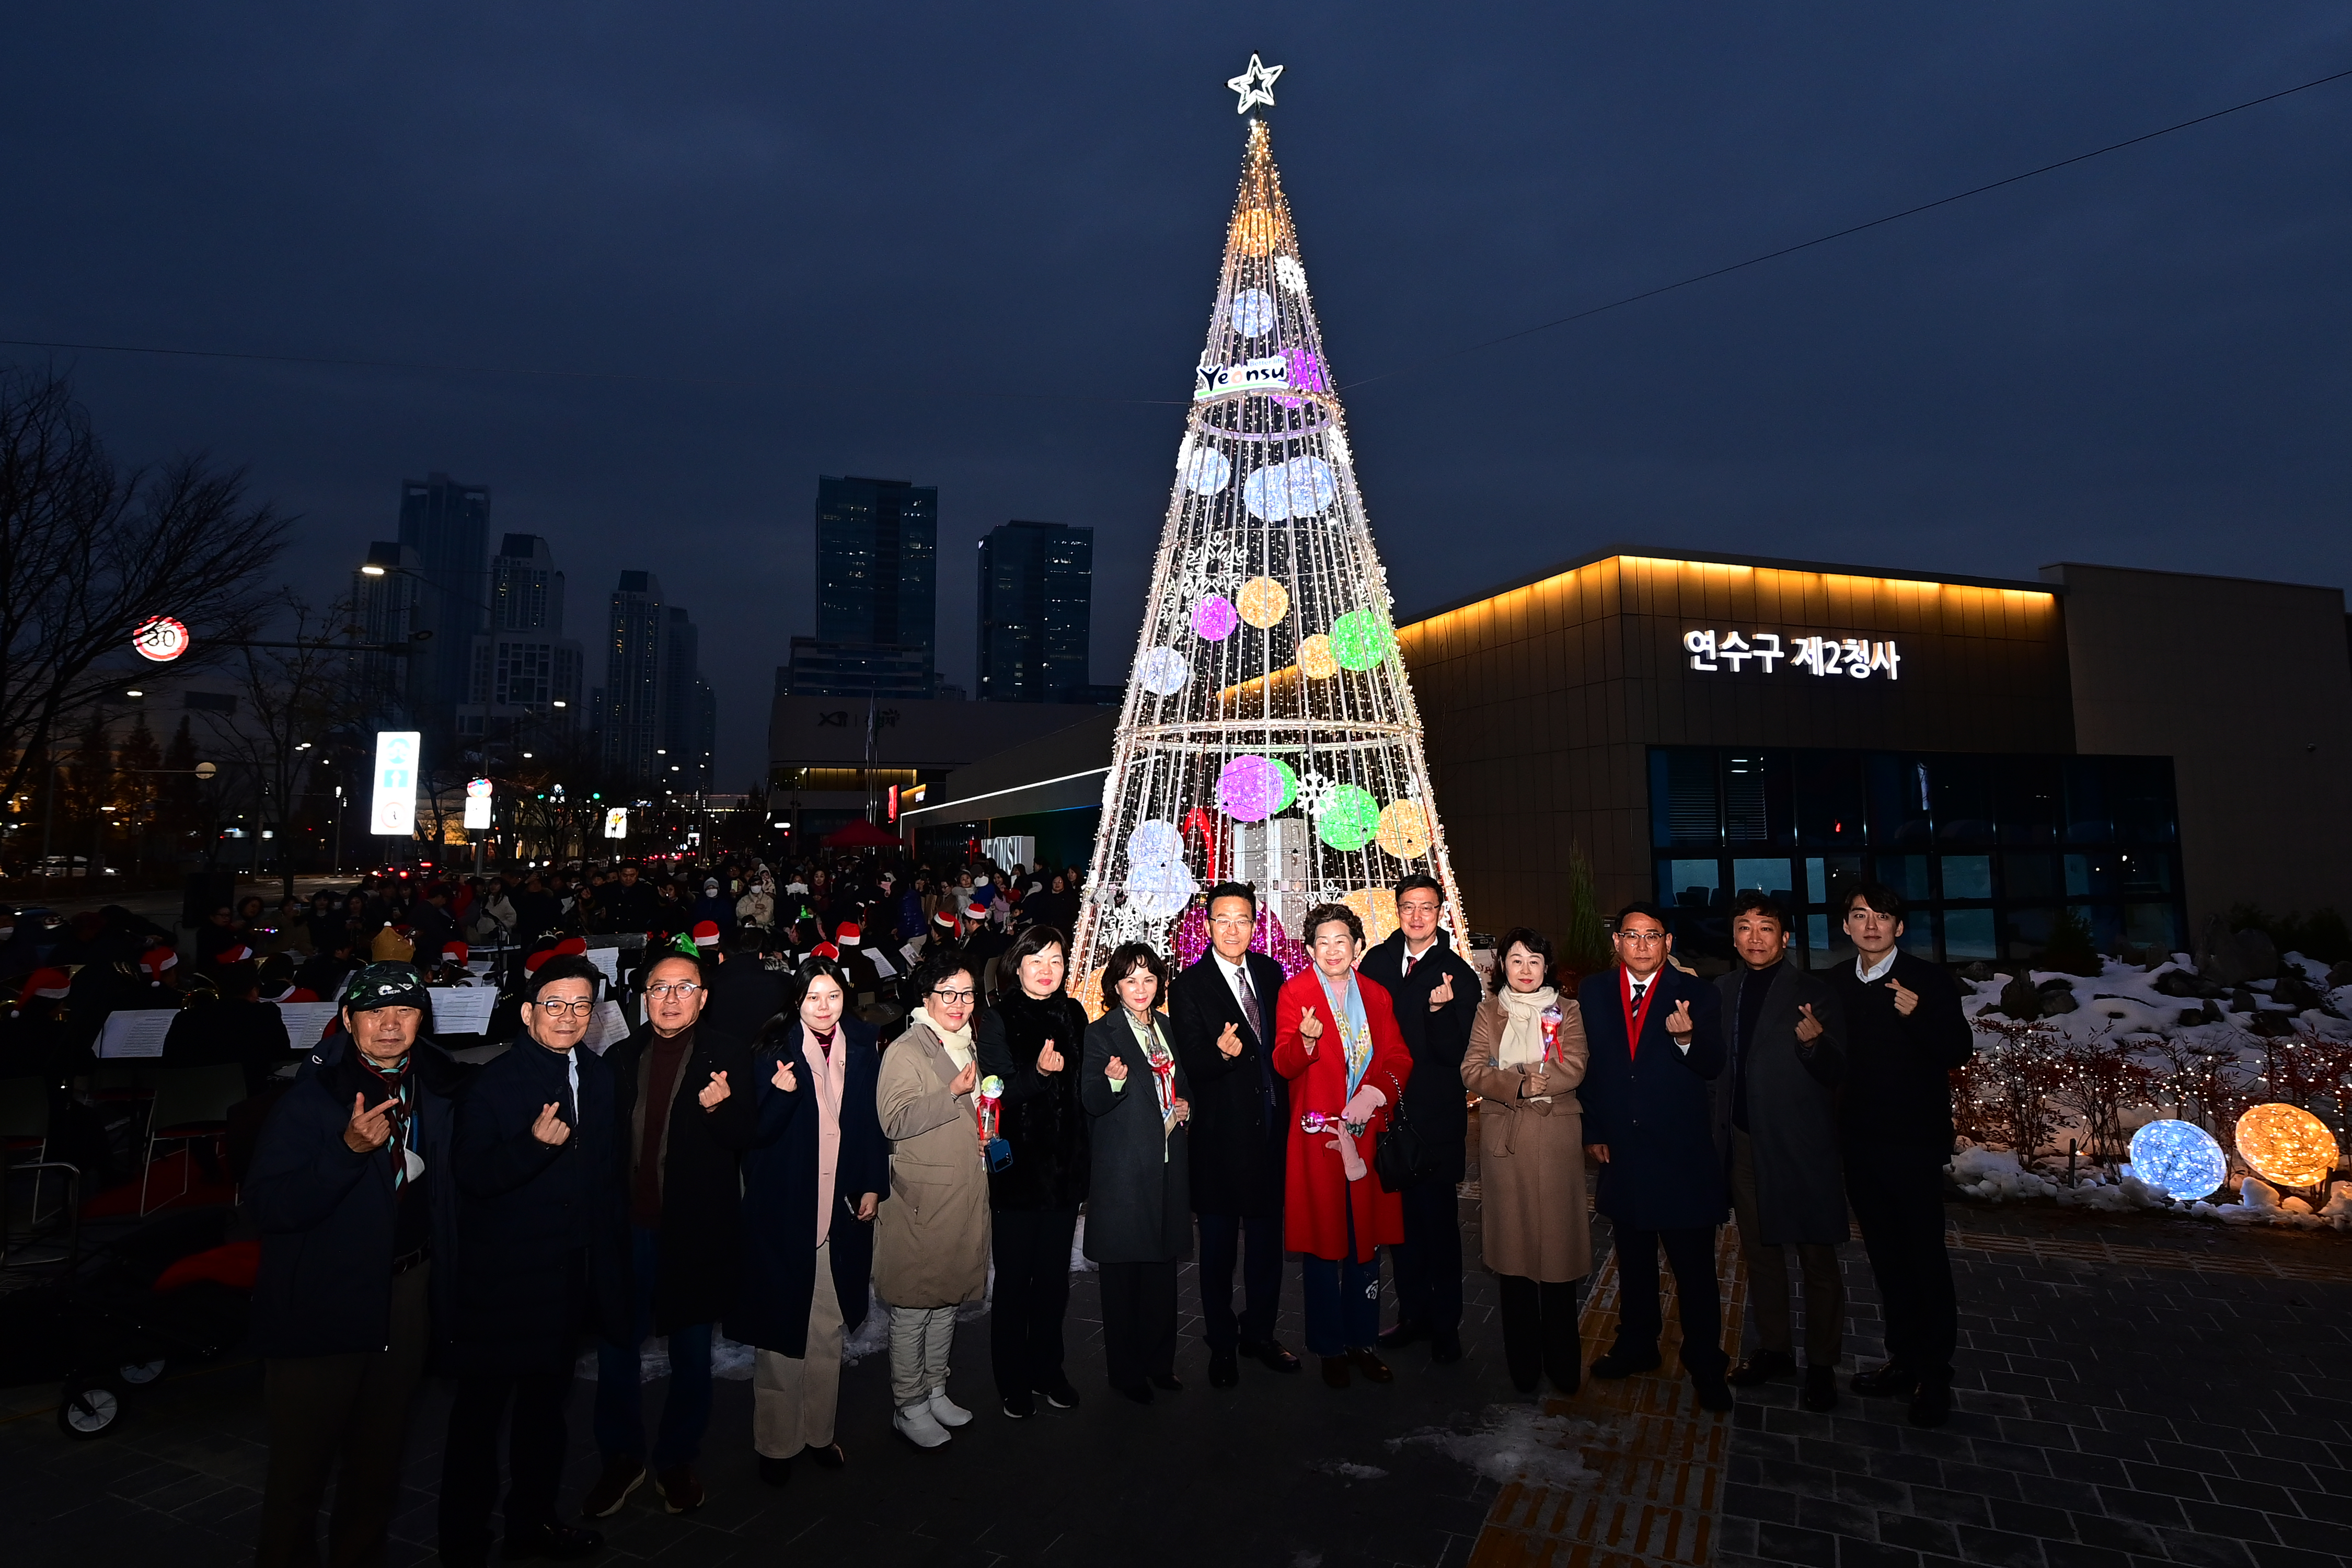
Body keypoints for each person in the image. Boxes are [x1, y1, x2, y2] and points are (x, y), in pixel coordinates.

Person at [246, 963, 466, 1568]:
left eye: (405, 1012)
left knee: (378, 1464)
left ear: (423, 1020)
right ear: (348, 1020)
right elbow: (267, 1207)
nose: (390, 1025)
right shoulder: (310, 1099)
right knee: (300, 1472)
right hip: (322, 1299)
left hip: (407, 1292)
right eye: (374, 1012)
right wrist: (346, 1153)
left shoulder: (440, 1088)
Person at [439, 955, 629, 1565]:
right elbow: (472, 1176)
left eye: (581, 1006)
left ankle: (533, 1523)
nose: (568, 1017)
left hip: (567, 1276)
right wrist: (531, 1148)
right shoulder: (491, 1085)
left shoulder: (599, 1077)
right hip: (502, 1283)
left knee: (546, 1414)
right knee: (479, 1419)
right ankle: (463, 1544)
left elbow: (605, 1178)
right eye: (555, 1004)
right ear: (527, 1012)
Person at [582, 946, 757, 1519]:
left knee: (691, 1355)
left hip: (693, 1234)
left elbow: (745, 1137)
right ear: (645, 997)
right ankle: (621, 1457)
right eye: (661, 988)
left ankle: (677, 1458)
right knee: (617, 1350)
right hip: (626, 1230)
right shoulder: (619, 1057)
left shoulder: (728, 1055)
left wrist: (721, 1110)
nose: (672, 998)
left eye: (685, 988)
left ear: (703, 999)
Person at [732, 955, 886, 1485]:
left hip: (838, 1211)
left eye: (833, 996)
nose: (824, 1008)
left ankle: (819, 1433)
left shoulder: (862, 1046)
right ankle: (777, 1443)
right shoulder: (770, 1050)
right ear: (796, 1001)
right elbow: (753, 1137)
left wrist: (872, 1184)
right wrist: (780, 1097)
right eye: (813, 997)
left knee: (826, 1327)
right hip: (785, 1209)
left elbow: (869, 1125)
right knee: (780, 1331)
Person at [1828, 883, 1974, 1428]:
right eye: (1860, 915)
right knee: (1887, 1259)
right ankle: (1903, 1359)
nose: (1871, 925)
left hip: (1912, 1145)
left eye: (1882, 916)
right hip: (1860, 1143)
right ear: (1846, 925)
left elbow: (1958, 1050)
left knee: (1924, 1260)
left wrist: (1918, 1015)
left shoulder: (1927, 980)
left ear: (1899, 926)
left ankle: (1934, 1376)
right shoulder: (1836, 983)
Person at [1578, 903, 1733, 1412]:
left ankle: (1706, 1364)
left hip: (1680, 1156)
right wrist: (1594, 1129)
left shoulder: (1697, 993)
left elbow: (1713, 1063)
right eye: (1632, 935)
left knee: (1694, 1271)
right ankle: (1637, 1345)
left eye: (1652, 936)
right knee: (1634, 1262)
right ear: (1617, 942)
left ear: (1668, 943)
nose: (1641, 945)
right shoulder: (1594, 992)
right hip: (1623, 1153)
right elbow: (1591, 1068)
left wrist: (1686, 1039)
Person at [1714, 894, 1848, 1412]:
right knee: (1760, 1253)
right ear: (1733, 937)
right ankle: (1774, 1349)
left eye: (1765, 928)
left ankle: (1822, 1363)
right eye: (1744, 927)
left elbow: (1838, 1070)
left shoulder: (1814, 993)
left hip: (1800, 1144)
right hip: (1745, 1143)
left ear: (1785, 938)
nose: (1755, 937)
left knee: (1817, 1257)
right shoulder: (1724, 990)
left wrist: (1814, 1045)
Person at [1272, 903, 1412, 1388]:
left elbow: (1399, 1056)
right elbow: (1283, 1062)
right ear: (1310, 950)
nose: (1333, 951)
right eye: (1323, 942)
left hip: (1366, 1136)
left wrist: (1375, 1094)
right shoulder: (1295, 992)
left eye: (1342, 941)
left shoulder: (1376, 994)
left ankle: (1363, 1342)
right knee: (1322, 1246)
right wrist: (1306, 1042)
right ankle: (1328, 1346)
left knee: (1364, 1245)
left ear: (1357, 947)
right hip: (1318, 1139)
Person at [1168, 881, 1299, 1387]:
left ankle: (1260, 1334)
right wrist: (1221, 1054)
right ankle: (1221, 1342)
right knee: (1218, 1252)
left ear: (1253, 925)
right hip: (1219, 1141)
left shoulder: (1269, 972)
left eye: (1242, 919)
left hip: (1269, 1132)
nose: (1232, 929)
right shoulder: (1189, 986)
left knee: (1266, 1246)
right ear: (1207, 926)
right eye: (1222, 919)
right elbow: (1191, 1063)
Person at [1460, 927, 1591, 1396]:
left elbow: (1575, 1065)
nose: (1526, 970)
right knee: (1514, 1258)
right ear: (1502, 966)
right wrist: (1518, 1082)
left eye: (1535, 961)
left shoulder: (1568, 1010)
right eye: (1516, 960)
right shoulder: (1488, 1012)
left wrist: (1526, 1075)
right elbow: (1472, 1069)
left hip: (1556, 1140)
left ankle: (1563, 1362)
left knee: (1558, 1256)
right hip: (1506, 1143)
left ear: (1546, 966)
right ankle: (1523, 1365)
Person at [1356, 872, 1480, 1362]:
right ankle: (1412, 1315)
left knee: (1439, 1227)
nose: (1417, 916)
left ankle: (1446, 1326)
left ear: (1441, 911)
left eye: (1427, 907)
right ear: (1397, 910)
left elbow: (1458, 1056)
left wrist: (1440, 1013)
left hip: (1435, 1122)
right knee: (1400, 1227)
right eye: (1408, 906)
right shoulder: (1377, 962)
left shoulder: (1458, 974)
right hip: (1386, 1115)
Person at [972, 925, 1090, 1418]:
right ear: (1017, 967)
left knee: (1054, 1282)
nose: (1047, 970)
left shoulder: (1075, 1013)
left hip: (1063, 1171)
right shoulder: (998, 1019)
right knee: (1015, 1282)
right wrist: (1038, 1074)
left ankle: (1048, 1370)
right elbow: (998, 1091)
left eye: (1056, 961)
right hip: (1017, 1172)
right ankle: (1012, 1378)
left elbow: (1081, 1092)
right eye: (1037, 961)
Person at [871, 959, 990, 1448]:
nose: (959, 1004)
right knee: (913, 1307)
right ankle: (908, 1404)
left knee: (946, 1301)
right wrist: (952, 1092)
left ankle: (935, 1389)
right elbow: (894, 1120)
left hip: (962, 1189)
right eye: (948, 993)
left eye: (967, 994)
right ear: (926, 998)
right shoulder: (906, 1050)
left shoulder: (965, 1043)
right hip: (922, 1200)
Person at [1080, 943, 1193, 1402]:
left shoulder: (1166, 1026)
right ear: (1116, 986)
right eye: (1130, 980)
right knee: (1123, 1278)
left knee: (1162, 1272)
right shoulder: (1100, 1033)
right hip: (1124, 1170)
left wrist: (1186, 1106)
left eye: (1148, 979)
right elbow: (1091, 1100)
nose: (1140, 988)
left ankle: (1160, 1363)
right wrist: (1113, 1081)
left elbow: (1182, 1085)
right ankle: (1126, 1373)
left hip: (1167, 1164)